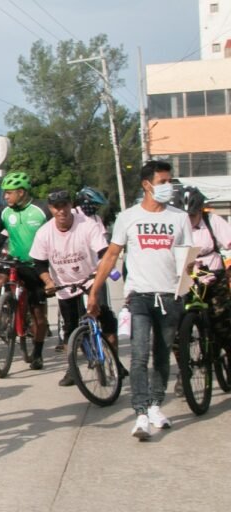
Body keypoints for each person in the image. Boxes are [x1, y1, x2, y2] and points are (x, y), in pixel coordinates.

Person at [88, 160, 193, 440]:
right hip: (139, 297)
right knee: (138, 355)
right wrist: (95, 290)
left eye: (170, 181)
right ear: (147, 185)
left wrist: (189, 279)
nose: (168, 187)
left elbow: (186, 258)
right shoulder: (128, 217)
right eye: (162, 182)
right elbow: (111, 255)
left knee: (161, 355)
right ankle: (141, 414)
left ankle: (157, 405)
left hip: (170, 297)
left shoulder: (179, 218)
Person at [30, 189, 118, 386]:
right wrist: (49, 282)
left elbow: (104, 252)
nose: (61, 211)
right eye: (56, 207)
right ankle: (72, 369)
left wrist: (101, 275)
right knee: (70, 330)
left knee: (105, 318)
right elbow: (39, 263)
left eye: (65, 206)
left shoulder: (88, 225)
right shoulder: (44, 233)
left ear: (71, 205)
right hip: (64, 284)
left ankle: (116, 364)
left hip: (90, 278)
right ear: (51, 209)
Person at [0, 171, 52, 370]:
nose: (5, 196)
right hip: (13, 260)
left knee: (39, 315)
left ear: (21, 192)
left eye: (9, 193)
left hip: (36, 265)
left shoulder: (42, 209)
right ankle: (5, 309)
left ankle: (37, 353)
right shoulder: (5, 212)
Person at [170, 185, 231, 396]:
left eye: (193, 215)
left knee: (223, 324)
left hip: (214, 279)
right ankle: (183, 372)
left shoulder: (213, 222)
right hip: (185, 280)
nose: (189, 219)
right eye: (185, 215)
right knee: (176, 331)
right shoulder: (173, 227)